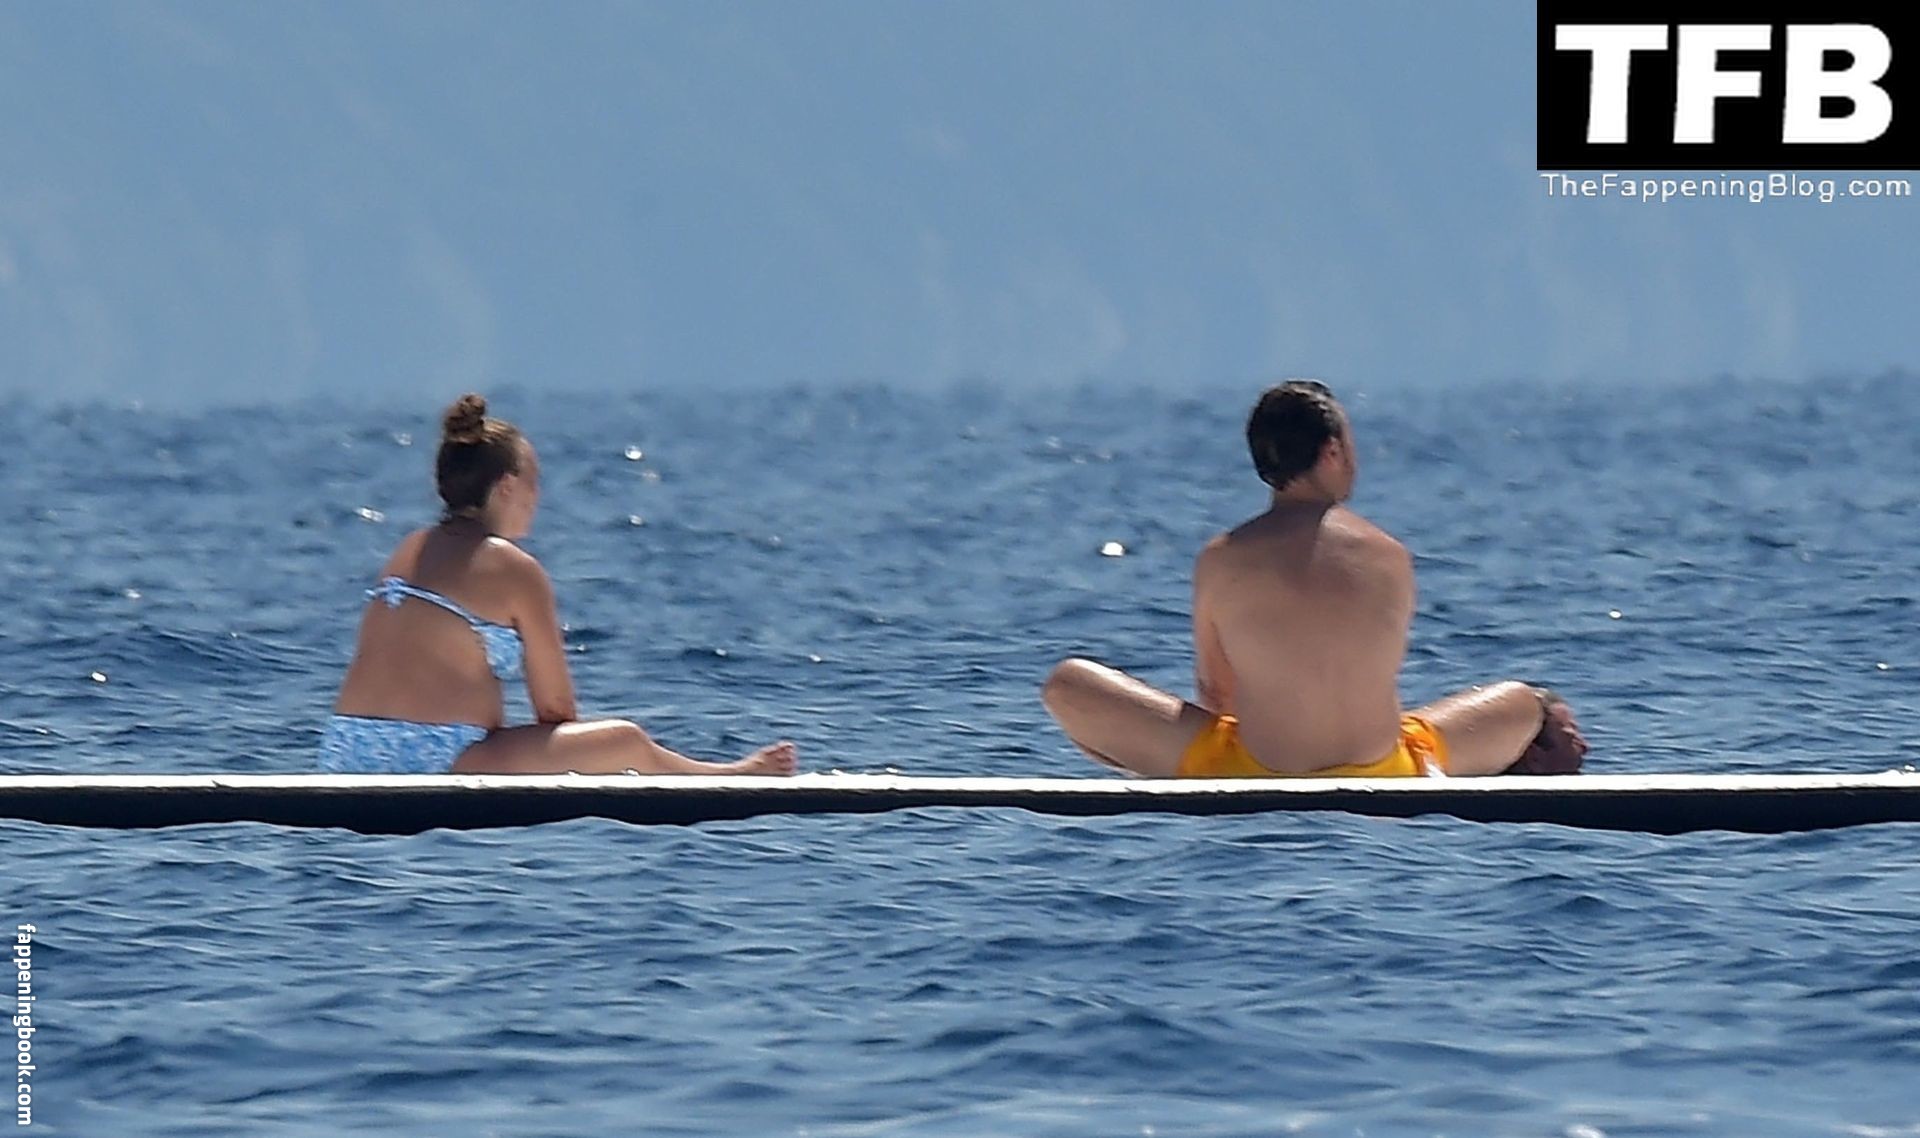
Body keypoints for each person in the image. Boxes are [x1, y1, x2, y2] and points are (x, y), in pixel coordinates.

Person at [1040, 379, 1588, 779]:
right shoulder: (1388, 555)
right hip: (1390, 769)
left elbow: (1217, 694)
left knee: (1067, 683)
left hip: (1248, 769)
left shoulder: (1223, 558)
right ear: (1331, 451)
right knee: (1524, 702)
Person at [319, 393, 798, 776]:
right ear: (507, 487)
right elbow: (555, 709)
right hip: (441, 759)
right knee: (625, 741)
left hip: (345, 751)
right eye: (534, 481)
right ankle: (731, 775)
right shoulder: (513, 568)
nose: (539, 496)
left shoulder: (408, 550)